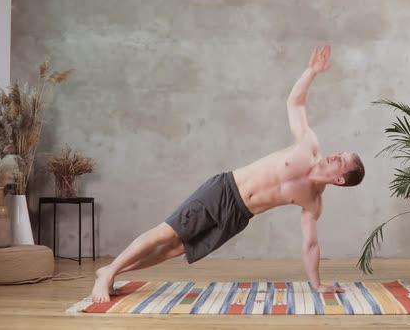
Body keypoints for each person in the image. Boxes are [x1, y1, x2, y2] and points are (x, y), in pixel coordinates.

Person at [91, 45, 365, 303]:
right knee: (166, 233)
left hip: (238, 216)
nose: (336, 154)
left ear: (340, 179)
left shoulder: (313, 202)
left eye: (342, 160)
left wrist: (316, 284)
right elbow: (295, 104)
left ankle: (112, 272)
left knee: (175, 250)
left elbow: (311, 244)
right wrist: (311, 72)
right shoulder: (309, 146)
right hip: (223, 190)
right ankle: (110, 274)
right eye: (340, 152)